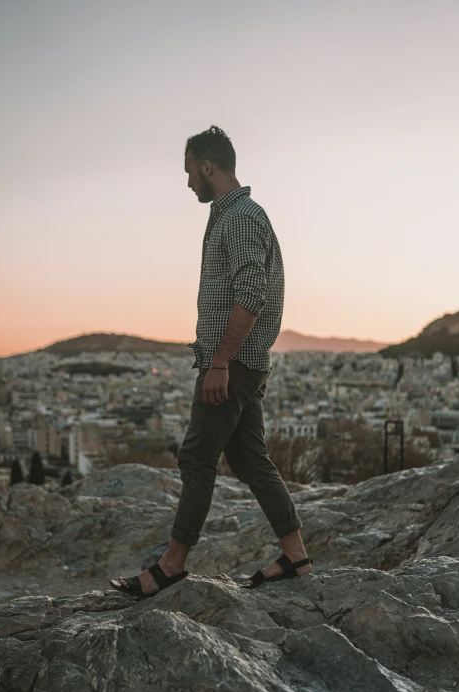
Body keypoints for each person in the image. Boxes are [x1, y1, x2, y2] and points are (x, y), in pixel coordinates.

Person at [110, 125, 313, 599]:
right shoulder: (233, 214)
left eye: (188, 173)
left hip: (233, 360)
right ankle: (296, 554)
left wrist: (219, 362)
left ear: (207, 166)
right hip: (242, 359)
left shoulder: (239, 217)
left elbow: (251, 292)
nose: (187, 184)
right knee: (249, 459)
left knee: (197, 457)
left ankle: (170, 566)